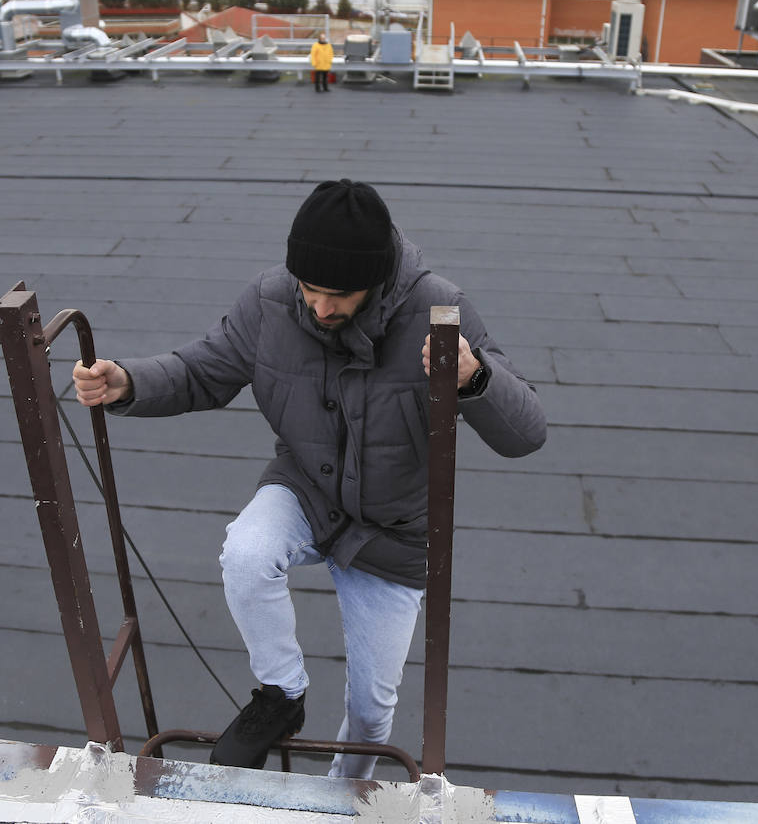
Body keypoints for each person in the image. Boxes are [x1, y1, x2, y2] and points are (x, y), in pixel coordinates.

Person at [73, 179, 546, 778]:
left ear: (376, 280)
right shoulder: (271, 302)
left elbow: (526, 433)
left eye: (340, 294)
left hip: (396, 531)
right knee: (245, 553)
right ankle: (282, 695)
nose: (320, 307)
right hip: (307, 489)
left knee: (373, 712)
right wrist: (130, 382)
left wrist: (475, 381)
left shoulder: (440, 310)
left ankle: (342, 796)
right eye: (309, 288)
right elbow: (203, 368)